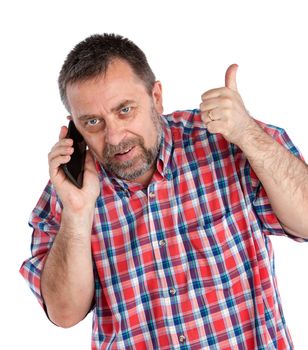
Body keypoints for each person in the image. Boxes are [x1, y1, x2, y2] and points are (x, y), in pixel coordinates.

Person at [20, 33, 308, 349]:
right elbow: (64, 314)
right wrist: (76, 213)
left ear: (156, 97)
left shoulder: (226, 140)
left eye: (125, 110)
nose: (115, 136)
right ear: (73, 125)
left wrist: (249, 136)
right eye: (92, 122)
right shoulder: (68, 188)